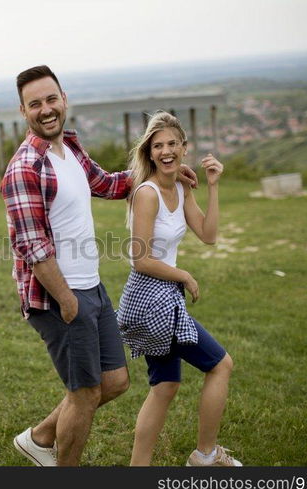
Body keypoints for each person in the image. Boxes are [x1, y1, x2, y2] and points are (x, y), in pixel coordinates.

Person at [0, 66, 198, 466]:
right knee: (85, 392)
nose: (46, 109)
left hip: (90, 286)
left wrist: (165, 172)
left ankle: (39, 438)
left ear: (64, 99)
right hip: (59, 296)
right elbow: (33, 247)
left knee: (115, 381)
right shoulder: (25, 168)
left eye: (51, 99)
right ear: (23, 111)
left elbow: (107, 183)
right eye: (35, 103)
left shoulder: (69, 149)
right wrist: (67, 301)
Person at [116, 111, 241, 466]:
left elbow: (209, 234)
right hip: (149, 297)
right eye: (158, 146)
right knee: (221, 365)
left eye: (173, 144)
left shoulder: (183, 187)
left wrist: (213, 184)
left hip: (163, 297)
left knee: (164, 386)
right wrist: (183, 274)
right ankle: (205, 455)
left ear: (185, 149)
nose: (166, 151)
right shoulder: (147, 194)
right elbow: (140, 259)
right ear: (150, 153)